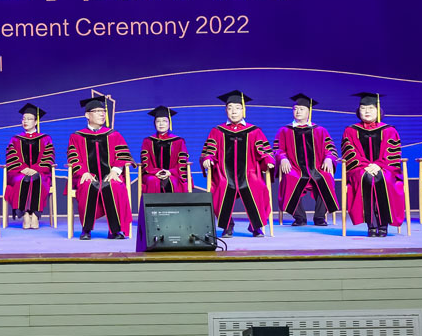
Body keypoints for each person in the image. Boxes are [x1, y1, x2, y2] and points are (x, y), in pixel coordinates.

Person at [200, 91, 275, 238]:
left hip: (249, 173)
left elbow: (265, 151)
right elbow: (209, 150)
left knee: (258, 187)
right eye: (230, 108)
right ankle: (227, 226)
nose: (234, 111)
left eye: (237, 108)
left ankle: (256, 226)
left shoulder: (254, 131)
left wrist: (268, 160)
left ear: (243, 110)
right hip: (224, 174)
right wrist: (207, 158)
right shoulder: (217, 131)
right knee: (220, 188)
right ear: (225, 110)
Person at [67, 96, 133, 240]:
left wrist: (115, 170)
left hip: (110, 175)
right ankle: (86, 229)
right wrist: (83, 172)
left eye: (103, 111)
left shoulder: (114, 134)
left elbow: (123, 154)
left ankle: (116, 230)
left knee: (114, 185)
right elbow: (73, 157)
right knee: (88, 185)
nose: (102, 114)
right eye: (97, 111)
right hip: (88, 175)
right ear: (87, 115)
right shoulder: (77, 136)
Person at [342, 92, 405, 237]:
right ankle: (371, 225)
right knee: (366, 178)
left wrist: (379, 165)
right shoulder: (350, 131)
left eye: (370, 108)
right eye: (363, 108)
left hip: (386, 168)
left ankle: (383, 224)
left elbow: (392, 153)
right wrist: (365, 166)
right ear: (358, 111)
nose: (367, 111)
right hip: (359, 169)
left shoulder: (389, 130)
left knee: (382, 178)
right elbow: (349, 152)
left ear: (378, 110)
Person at [274, 94, 340, 227]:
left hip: (317, 168)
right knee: (290, 178)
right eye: (295, 109)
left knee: (326, 177)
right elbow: (277, 148)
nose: (298, 111)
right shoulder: (284, 130)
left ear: (309, 111)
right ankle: (299, 218)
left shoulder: (320, 130)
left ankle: (320, 217)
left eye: (301, 109)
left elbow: (331, 148)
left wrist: (329, 158)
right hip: (295, 168)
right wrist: (283, 158)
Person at [4, 103, 55, 229]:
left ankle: (36, 214)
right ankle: (25, 214)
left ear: (36, 122)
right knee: (23, 180)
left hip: (40, 172)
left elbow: (48, 157)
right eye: (23, 119)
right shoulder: (15, 139)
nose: (25, 121)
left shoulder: (45, 139)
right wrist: (23, 168)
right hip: (19, 172)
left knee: (37, 179)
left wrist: (35, 169)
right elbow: (11, 157)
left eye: (29, 119)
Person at [140, 106, 190, 195]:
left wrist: (170, 172)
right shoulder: (148, 141)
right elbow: (145, 161)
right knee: (152, 180)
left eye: (164, 121)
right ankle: (151, 205)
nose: (161, 124)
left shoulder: (179, 141)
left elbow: (182, 162)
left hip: (173, 174)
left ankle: (175, 205)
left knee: (172, 181)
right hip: (153, 174)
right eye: (158, 121)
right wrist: (156, 172)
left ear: (169, 123)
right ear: (154, 123)